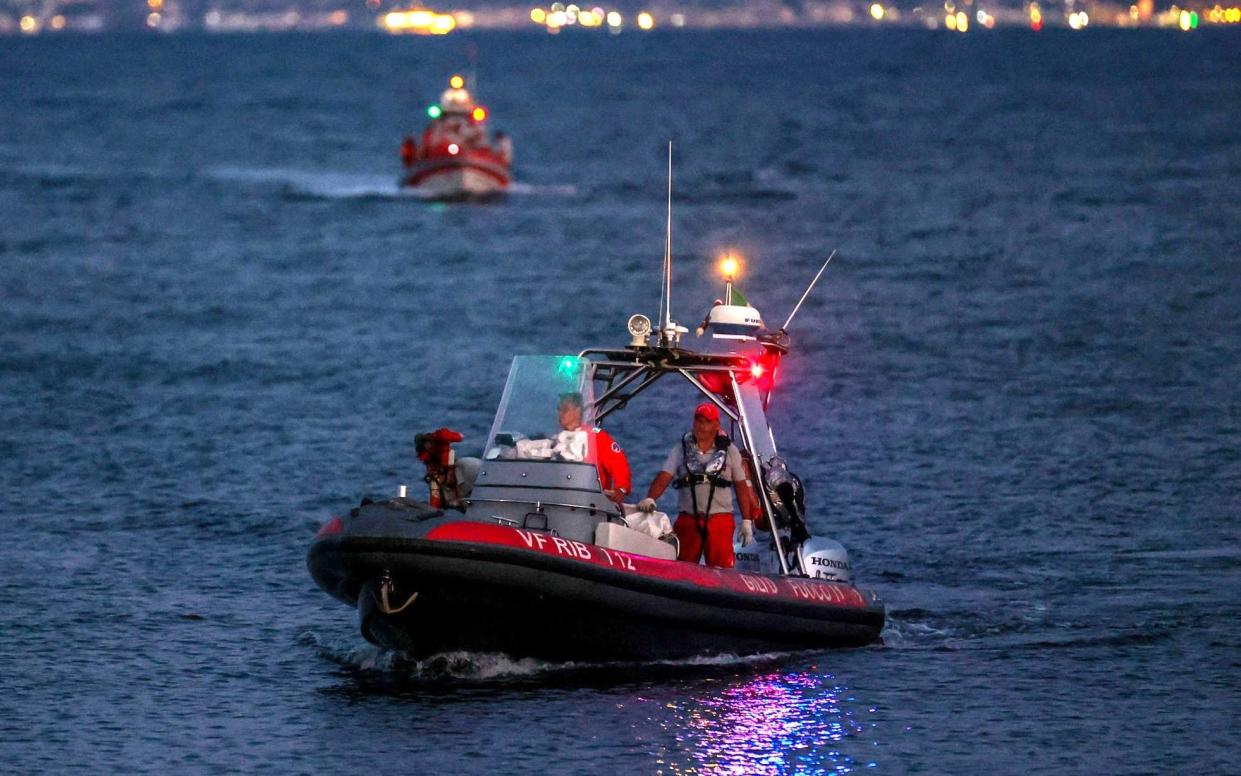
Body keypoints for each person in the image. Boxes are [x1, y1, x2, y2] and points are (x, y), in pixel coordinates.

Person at [637, 402, 762, 568]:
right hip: (689, 520)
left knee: (722, 569)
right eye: (698, 421)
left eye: (707, 422)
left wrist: (746, 521)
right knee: (683, 566)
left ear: (716, 425)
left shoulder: (730, 452)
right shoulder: (680, 450)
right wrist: (651, 498)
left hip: (720, 520)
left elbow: (741, 486)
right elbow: (664, 476)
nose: (702, 426)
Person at [557, 392, 631, 506]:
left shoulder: (597, 437)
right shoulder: (556, 439)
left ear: (577, 411)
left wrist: (621, 489)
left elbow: (618, 463)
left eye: (564, 410)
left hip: (591, 504)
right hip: (560, 500)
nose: (560, 414)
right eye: (559, 409)